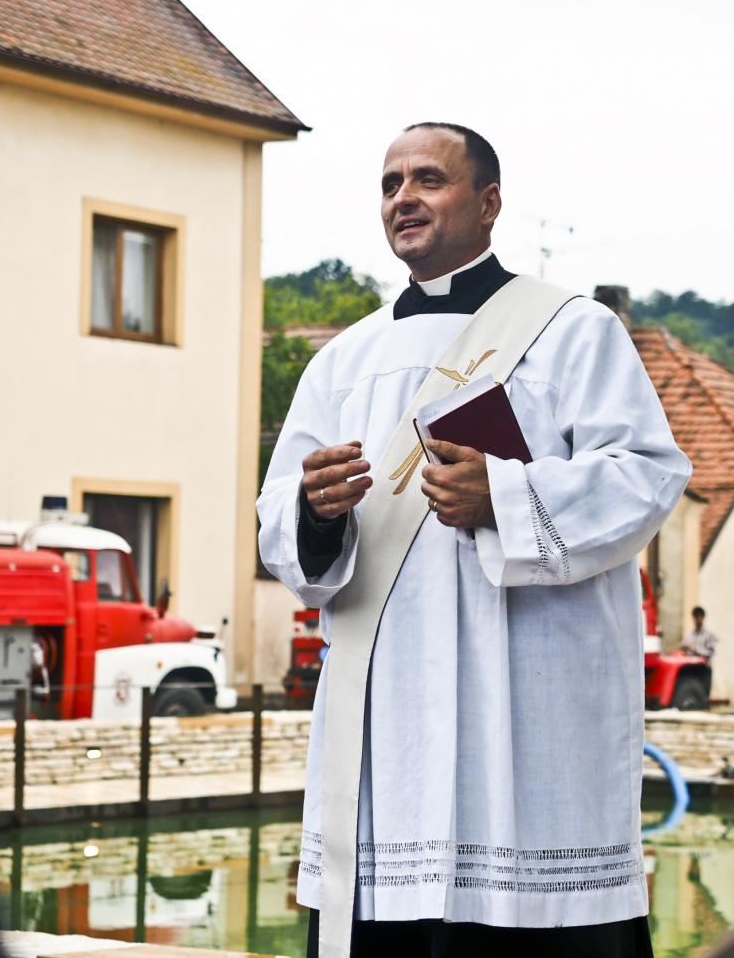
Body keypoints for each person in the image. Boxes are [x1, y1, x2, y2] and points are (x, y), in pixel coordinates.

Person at [257, 123, 691, 958]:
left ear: (489, 203)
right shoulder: (344, 360)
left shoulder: (574, 331)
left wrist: (506, 496)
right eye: (390, 184)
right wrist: (316, 512)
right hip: (389, 715)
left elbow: (647, 474)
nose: (404, 198)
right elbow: (279, 513)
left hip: (530, 700)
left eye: (429, 178)